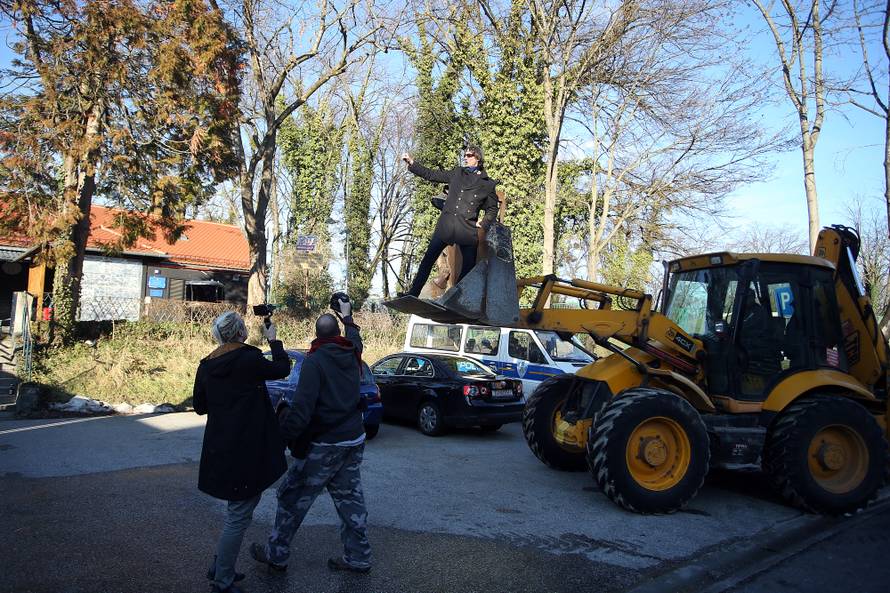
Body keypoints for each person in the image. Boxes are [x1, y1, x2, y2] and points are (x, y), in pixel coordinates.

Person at [250, 293, 372, 574]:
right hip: (354, 440)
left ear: (316, 335)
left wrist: (279, 440)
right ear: (338, 333)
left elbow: (301, 411)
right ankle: (359, 557)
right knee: (350, 499)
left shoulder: (314, 362)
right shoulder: (352, 352)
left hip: (324, 445)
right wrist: (347, 314)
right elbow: (355, 337)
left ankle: (276, 555)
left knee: (292, 497)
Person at [193, 311, 291, 593]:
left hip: (221, 447)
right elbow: (282, 369)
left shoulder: (207, 364)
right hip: (247, 449)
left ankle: (220, 565)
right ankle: (221, 581)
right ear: (239, 333)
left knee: (239, 510)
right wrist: (274, 340)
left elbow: (200, 405)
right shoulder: (248, 359)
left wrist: (225, 403)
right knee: (238, 515)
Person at [401, 145, 499, 297]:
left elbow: (492, 209)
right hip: (446, 225)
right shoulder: (457, 173)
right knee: (428, 260)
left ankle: (456, 298)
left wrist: (484, 222)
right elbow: (432, 174)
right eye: (465, 155)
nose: (465, 157)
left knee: (469, 266)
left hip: (466, 228)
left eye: (469, 155)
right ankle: (413, 293)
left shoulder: (487, 184)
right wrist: (412, 163)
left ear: (478, 158)